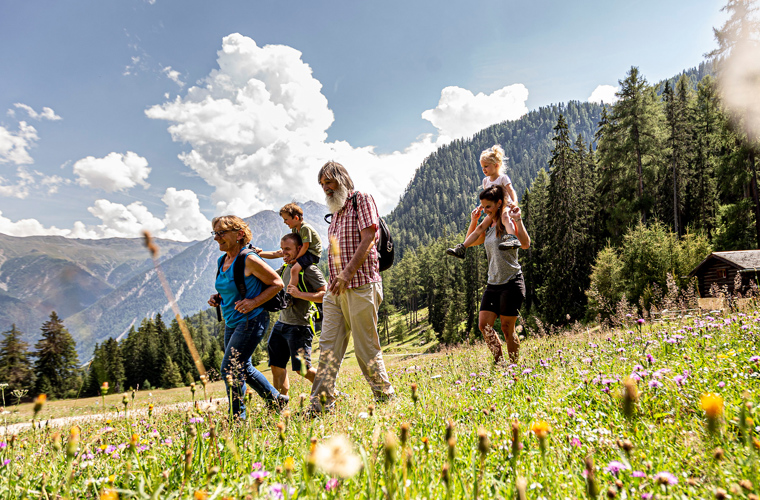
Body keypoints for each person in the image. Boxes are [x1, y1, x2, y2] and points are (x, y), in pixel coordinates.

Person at [309, 161, 395, 414]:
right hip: (336, 290)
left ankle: (386, 397)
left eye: (329, 182)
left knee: (365, 347)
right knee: (328, 348)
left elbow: (369, 237)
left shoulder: (362, 200)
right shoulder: (335, 212)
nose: (326, 188)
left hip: (361, 285)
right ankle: (320, 405)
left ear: (342, 179)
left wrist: (347, 273)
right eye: (322, 184)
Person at [207, 215, 288, 418]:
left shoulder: (249, 259)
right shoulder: (222, 260)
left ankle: (238, 417)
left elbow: (277, 283)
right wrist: (218, 297)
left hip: (251, 320)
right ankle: (276, 400)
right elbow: (233, 286)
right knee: (244, 367)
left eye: (221, 233)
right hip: (232, 321)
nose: (216, 238)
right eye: (215, 233)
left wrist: (254, 302)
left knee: (230, 368)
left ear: (239, 234)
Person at [455, 185, 530, 363]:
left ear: (498, 203)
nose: (485, 210)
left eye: (488, 206)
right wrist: (474, 220)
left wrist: (518, 219)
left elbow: (526, 244)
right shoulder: (488, 225)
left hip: (512, 282)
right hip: (493, 284)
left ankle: (513, 366)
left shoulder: (508, 221)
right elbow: (472, 240)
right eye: (483, 206)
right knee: (484, 325)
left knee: (507, 328)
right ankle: (500, 363)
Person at [265, 232, 327, 396]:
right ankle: (280, 403)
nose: (283, 253)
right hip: (281, 324)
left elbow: (326, 295)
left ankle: (331, 392)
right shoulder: (285, 268)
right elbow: (266, 279)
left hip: (300, 326)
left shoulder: (309, 270)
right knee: (276, 366)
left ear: (300, 248)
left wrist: (300, 294)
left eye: (288, 249)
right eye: (282, 249)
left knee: (303, 369)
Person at [446, 145, 520, 258]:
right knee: (480, 227)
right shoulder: (485, 181)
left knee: (505, 218)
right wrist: (481, 207)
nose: (483, 169)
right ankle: (462, 248)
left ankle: (512, 239)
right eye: (482, 167)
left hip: (504, 206)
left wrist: (514, 202)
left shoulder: (503, 178)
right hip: (493, 210)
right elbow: (486, 199)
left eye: (486, 166)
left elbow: (511, 190)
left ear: (496, 165)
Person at [254, 203, 323, 302]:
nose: (284, 222)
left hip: (312, 253)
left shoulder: (305, 228)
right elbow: (278, 253)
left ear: (296, 218)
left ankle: (289, 293)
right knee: (292, 267)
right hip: (305, 252)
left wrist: (296, 259)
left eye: (286, 219)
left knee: (294, 270)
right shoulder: (295, 228)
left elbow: (305, 246)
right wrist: (258, 253)